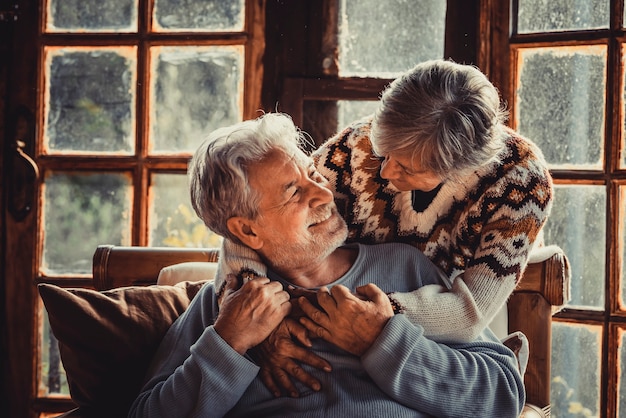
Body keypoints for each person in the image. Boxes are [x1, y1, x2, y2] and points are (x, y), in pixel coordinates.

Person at [128, 113, 525, 418]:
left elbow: (503, 393)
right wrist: (228, 344)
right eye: (293, 192)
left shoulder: (404, 267)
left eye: (314, 174)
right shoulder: (226, 311)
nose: (322, 194)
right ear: (246, 232)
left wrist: (383, 340)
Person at [215, 59, 552, 396]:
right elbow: (253, 220)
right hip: (332, 307)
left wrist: (376, 319)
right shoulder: (359, 143)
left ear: (460, 167)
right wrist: (258, 326)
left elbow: (468, 314)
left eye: (405, 166)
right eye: (383, 152)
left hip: (430, 335)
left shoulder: (520, 184)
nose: (387, 171)